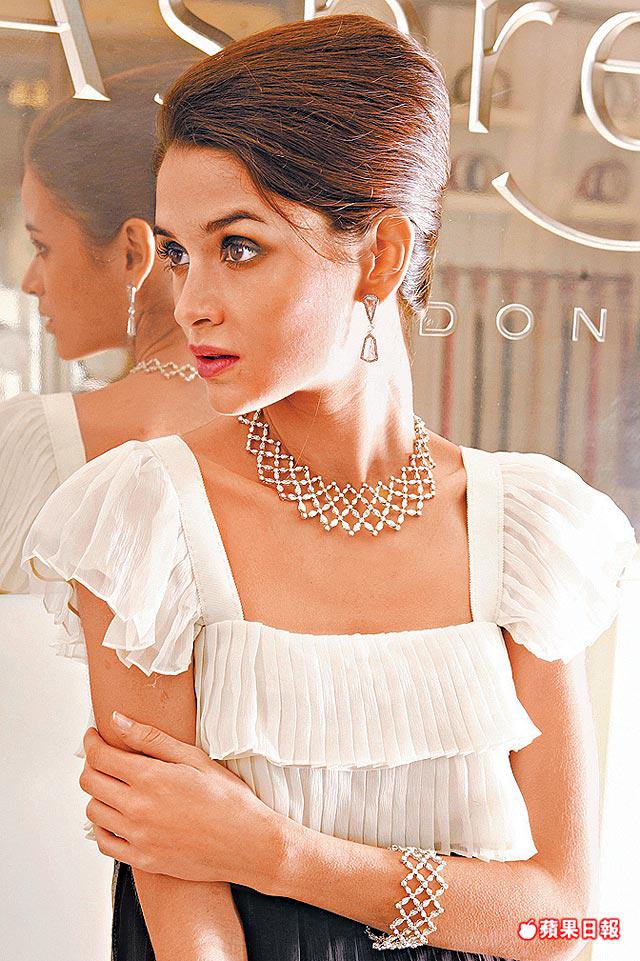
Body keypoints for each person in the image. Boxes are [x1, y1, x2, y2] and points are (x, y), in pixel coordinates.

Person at [20, 13, 638, 961]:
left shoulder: (522, 531)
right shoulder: (147, 522)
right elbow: (188, 934)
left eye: (238, 247)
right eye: (178, 252)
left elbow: (568, 920)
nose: (191, 301)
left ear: (380, 257)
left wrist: (275, 851)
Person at [0, 59, 214, 595]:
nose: (30, 282)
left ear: (132, 253)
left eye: (43, 246)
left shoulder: (33, 439)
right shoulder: (286, 429)